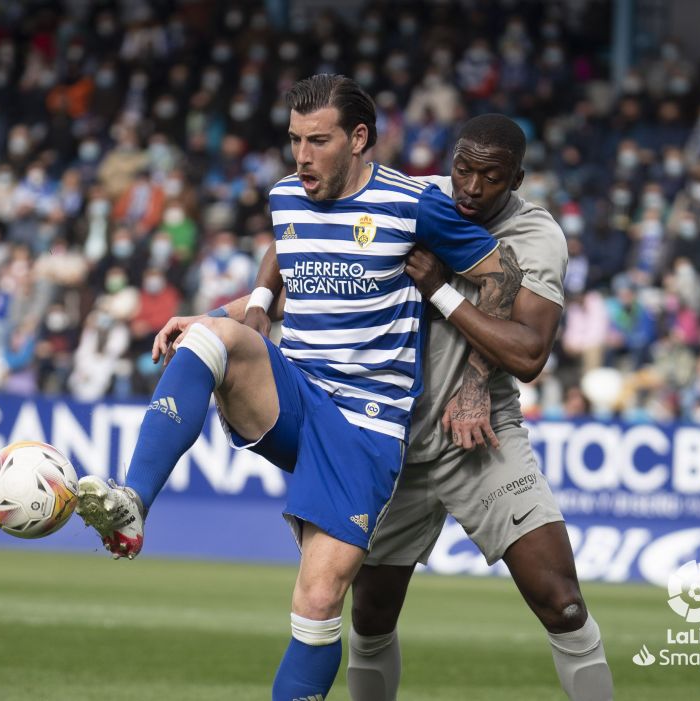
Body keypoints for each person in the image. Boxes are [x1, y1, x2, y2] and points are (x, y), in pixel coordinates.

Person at [156, 114, 614, 700]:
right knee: (370, 621)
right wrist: (224, 316)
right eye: (463, 170)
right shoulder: (418, 199)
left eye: (491, 178)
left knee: (563, 602)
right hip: (386, 437)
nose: (471, 189)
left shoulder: (535, 236)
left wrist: (442, 293)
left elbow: (528, 354)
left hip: (481, 442)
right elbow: (308, 253)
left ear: (516, 180)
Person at [75, 74, 502, 701]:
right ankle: (134, 501)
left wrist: (472, 382)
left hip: (366, 426)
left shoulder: (412, 203)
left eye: (318, 141)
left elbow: (499, 274)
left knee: (319, 599)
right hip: (297, 393)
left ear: (360, 139)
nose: (302, 156)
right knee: (210, 339)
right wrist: (237, 309)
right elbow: (288, 268)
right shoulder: (286, 196)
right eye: (295, 140)